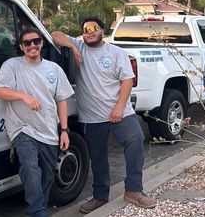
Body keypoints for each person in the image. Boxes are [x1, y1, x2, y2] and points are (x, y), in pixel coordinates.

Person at [51, 17, 156, 214]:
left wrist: (118, 107)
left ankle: (133, 190)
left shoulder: (116, 53)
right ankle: (100, 196)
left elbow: (127, 81)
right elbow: (54, 35)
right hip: (92, 117)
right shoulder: (79, 46)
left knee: (136, 140)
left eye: (93, 28)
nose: (89, 32)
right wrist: (73, 48)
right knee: (97, 157)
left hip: (120, 113)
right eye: (85, 29)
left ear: (102, 30)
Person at [0, 27, 74, 217]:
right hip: (23, 129)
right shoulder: (12, 65)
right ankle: (38, 212)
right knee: (30, 168)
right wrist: (23, 96)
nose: (32, 46)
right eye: (27, 43)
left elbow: (62, 101)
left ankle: (38, 209)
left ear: (42, 43)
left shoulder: (54, 69)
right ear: (21, 47)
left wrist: (64, 130)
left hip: (48, 131)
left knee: (46, 177)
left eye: (36, 41)